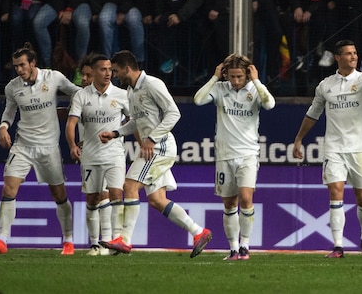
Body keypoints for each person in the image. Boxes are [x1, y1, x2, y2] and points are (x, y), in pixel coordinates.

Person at [98, 50, 212, 257]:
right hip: (153, 147)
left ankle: (124, 240)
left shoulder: (152, 84)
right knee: (158, 200)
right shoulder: (132, 92)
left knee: (130, 186)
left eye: (116, 71)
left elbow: (174, 113)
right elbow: (135, 121)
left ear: (127, 68)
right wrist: (115, 133)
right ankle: (199, 232)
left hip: (159, 147)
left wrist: (152, 138)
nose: (114, 75)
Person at [292, 39, 362, 258]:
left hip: (358, 150)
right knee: (335, 193)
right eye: (348, 53)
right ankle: (337, 246)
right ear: (337, 57)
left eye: (355, 53)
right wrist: (299, 139)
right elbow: (313, 114)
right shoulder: (325, 85)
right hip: (334, 149)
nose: (353, 57)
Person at [0, 43, 80, 255]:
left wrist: (72, 111)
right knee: (8, 189)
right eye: (16, 66)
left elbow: (77, 93)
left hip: (48, 147)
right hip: (23, 145)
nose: (19, 69)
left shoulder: (53, 77)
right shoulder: (12, 87)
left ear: (33, 63)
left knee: (59, 195)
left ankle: (68, 241)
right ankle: (1, 240)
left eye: (22, 65)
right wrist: (3, 127)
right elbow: (9, 112)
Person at [193, 53, 275, 260]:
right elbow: (198, 100)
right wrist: (214, 78)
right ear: (226, 75)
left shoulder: (255, 90)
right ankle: (233, 249)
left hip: (248, 153)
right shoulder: (220, 90)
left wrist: (256, 80)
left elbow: (270, 104)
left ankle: (246, 246)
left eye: (240, 76)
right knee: (229, 204)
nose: (236, 81)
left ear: (247, 75)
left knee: (246, 198)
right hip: (224, 155)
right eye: (232, 77)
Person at [65, 54, 128, 256]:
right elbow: (71, 123)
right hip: (90, 155)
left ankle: (114, 241)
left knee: (116, 194)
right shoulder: (82, 96)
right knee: (92, 199)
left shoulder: (121, 94)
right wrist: (73, 144)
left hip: (115, 154)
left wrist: (120, 133)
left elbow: (134, 120)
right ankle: (94, 243)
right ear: (93, 73)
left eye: (110, 69)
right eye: (103, 69)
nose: (108, 73)